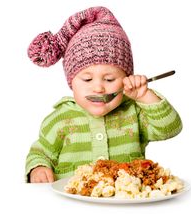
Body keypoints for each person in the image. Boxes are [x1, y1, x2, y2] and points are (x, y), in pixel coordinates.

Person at [25, 6, 182, 183]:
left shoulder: (134, 113)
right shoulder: (60, 118)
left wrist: (144, 96)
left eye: (109, 79)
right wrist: (38, 167)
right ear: (71, 82)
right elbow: (40, 152)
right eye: (86, 79)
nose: (98, 88)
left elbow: (170, 128)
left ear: (126, 80)